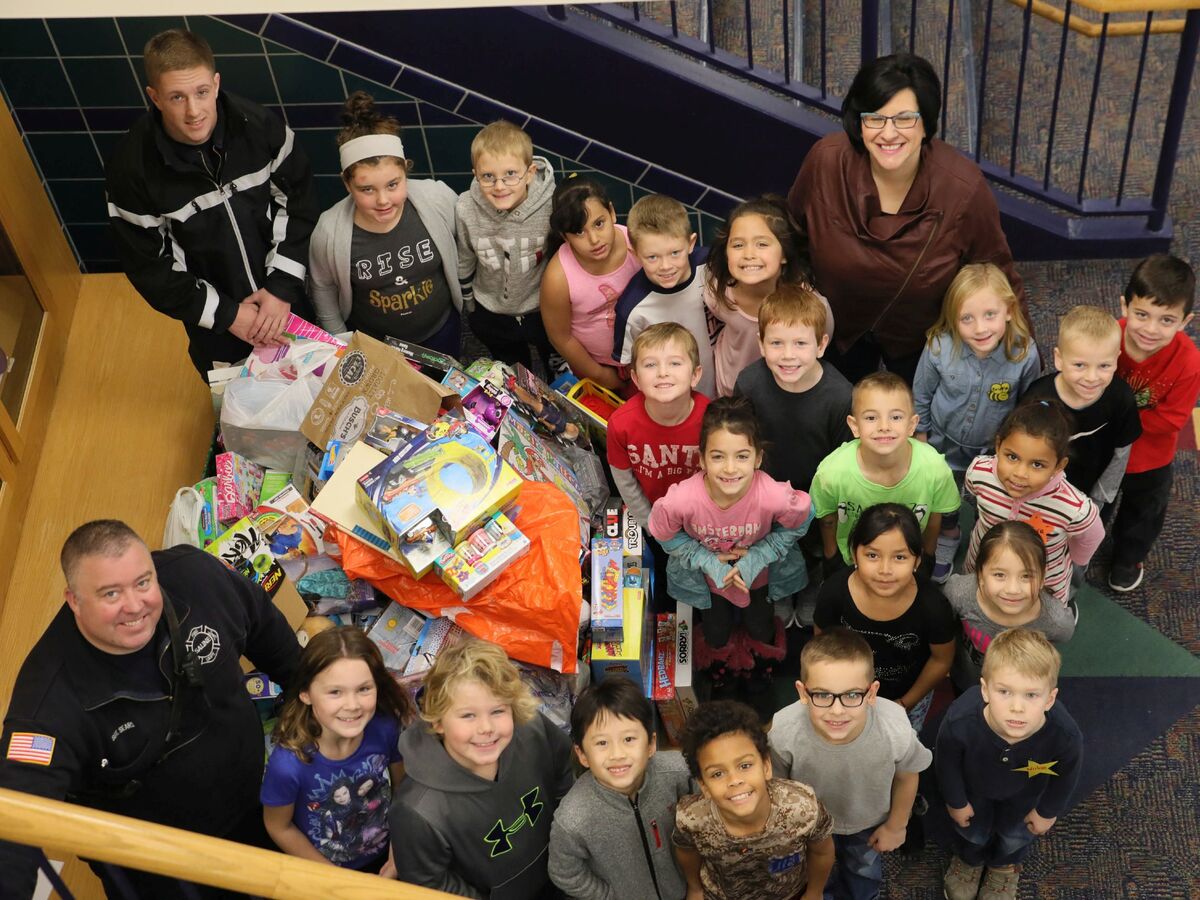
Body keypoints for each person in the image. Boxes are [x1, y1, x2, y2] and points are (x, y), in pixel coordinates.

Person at [0, 520, 301, 898]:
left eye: (143, 582)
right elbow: (14, 822)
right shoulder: (48, 702)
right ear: (74, 600)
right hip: (167, 867)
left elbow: (274, 639)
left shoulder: (198, 579)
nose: (135, 605)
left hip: (259, 804)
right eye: (110, 594)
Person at [787, 52, 1027, 385]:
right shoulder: (826, 161)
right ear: (859, 121)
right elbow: (792, 233)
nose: (888, 133)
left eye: (904, 119)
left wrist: (1023, 362)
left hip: (921, 339)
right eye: (875, 118)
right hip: (834, 326)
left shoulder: (962, 188)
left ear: (926, 122)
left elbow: (998, 273)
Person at [105, 29, 317, 377]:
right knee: (241, 419)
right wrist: (229, 315)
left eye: (202, 92)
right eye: (177, 97)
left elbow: (299, 204)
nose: (194, 112)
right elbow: (151, 269)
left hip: (287, 300)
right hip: (215, 327)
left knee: (314, 393)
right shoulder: (131, 170)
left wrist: (281, 289)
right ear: (154, 97)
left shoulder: (261, 127)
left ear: (216, 84)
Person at [648, 397, 813, 688]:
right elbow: (663, 532)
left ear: (758, 458)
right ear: (701, 459)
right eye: (717, 456)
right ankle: (719, 667)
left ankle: (760, 665)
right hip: (708, 583)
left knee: (760, 626)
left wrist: (761, 554)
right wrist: (704, 559)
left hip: (758, 579)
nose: (729, 469)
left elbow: (803, 517)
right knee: (715, 632)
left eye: (742, 456)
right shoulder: (682, 500)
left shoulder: (771, 495)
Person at [389, 638, 574, 898]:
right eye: (468, 715)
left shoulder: (533, 730)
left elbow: (564, 774)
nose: (486, 728)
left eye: (497, 711)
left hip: (562, 872)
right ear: (439, 721)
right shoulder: (417, 811)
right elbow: (431, 884)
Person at [770, 628, 932, 900]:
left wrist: (896, 825)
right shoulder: (783, 730)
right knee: (815, 873)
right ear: (802, 692)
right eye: (822, 695)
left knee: (863, 871)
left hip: (867, 823)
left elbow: (907, 774)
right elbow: (777, 788)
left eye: (852, 695)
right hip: (809, 827)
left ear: (871, 693)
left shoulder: (895, 728)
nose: (837, 710)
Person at [308, 92, 463, 357]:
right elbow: (323, 287)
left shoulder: (438, 199)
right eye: (367, 189)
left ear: (405, 171)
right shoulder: (329, 231)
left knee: (446, 394)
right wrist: (339, 342)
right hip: (377, 345)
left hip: (441, 330)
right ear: (347, 184)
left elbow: (465, 244)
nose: (383, 201)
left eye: (393, 185)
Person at [913, 263, 1040, 582]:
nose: (980, 328)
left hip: (992, 451)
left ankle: (988, 546)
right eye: (966, 318)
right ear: (953, 318)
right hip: (943, 444)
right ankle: (950, 534)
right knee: (947, 497)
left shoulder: (1024, 353)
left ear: (1009, 311)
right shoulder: (940, 347)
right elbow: (921, 394)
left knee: (994, 502)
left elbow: (1028, 407)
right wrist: (921, 439)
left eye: (989, 315)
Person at [733, 284, 853, 624]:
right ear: (761, 344)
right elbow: (742, 442)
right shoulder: (749, 383)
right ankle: (782, 589)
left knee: (813, 548)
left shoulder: (841, 395)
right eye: (776, 343)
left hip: (816, 495)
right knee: (775, 546)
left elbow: (845, 458)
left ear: (821, 345)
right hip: (766, 490)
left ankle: (812, 585)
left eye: (800, 343)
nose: (788, 355)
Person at [936, 628, 1083, 900]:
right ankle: (970, 861)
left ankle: (1003, 867)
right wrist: (955, 801)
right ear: (985, 690)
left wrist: (1048, 811)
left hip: (1025, 796)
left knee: (1014, 835)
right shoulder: (960, 721)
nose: (1017, 707)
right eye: (1004, 691)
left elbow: (1067, 775)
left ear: (1050, 698)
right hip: (973, 791)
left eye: (1031, 695)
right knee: (972, 833)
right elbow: (946, 763)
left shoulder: (1065, 735)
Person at [261, 626, 413, 871]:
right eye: (335, 692)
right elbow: (279, 826)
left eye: (364, 689)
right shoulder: (287, 765)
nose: (352, 705)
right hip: (327, 871)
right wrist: (334, 880)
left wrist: (399, 849)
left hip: (389, 853)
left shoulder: (386, 729)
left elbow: (403, 789)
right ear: (305, 693)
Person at [813, 504, 956, 731]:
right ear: (854, 555)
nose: (885, 569)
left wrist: (905, 703)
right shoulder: (834, 592)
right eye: (872, 555)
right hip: (846, 695)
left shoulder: (933, 607)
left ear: (917, 561)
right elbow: (821, 646)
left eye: (899, 557)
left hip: (907, 696)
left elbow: (941, 660)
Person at [673, 700, 835, 900]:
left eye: (745, 765)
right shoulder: (691, 819)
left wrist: (814, 892)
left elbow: (822, 852)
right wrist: (695, 888)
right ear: (703, 785)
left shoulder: (803, 807)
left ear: (766, 765)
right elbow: (686, 851)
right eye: (717, 774)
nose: (734, 780)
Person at [548, 677, 692, 900]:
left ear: (651, 744)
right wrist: (609, 896)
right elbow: (564, 872)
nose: (617, 754)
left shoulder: (679, 773)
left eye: (629, 739)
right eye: (602, 743)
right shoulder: (573, 818)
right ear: (582, 755)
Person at [1108, 254, 1200, 592]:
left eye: (1166, 319)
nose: (1150, 329)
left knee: (1144, 513)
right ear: (1124, 306)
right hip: (1103, 448)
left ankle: (1128, 557)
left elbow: (1173, 418)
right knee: (1093, 504)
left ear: (1184, 321)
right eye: (1142, 314)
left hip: (1151, 459)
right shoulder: (1107, 337)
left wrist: (1116, 418)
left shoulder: (1189, 361)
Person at [809, 372, 960, 576]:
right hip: (851, 560)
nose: (884, 427)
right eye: (871, 417)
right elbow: (827, 520)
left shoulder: (934, 468)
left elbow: (935, 519)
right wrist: (831, 557)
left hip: (909, 559)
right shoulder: (831, 473)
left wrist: (927, 556)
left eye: (896, 417)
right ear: (854, 426)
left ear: (912, 425)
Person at [963, 400, 1103, 614]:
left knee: (1037, 620)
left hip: (1042, 581)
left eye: (1037, 464)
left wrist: (1076, 560)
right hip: (982, 562)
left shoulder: (1073, 508)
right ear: (998, 446)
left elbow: (1092, 535)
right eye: (1012, 457)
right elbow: (974, 496)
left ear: (1059, 466)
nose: (1020, 473)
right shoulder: (979, 472)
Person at [607, 323, 710, 612]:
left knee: (707, 577)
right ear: (636, 378)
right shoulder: (621, 423)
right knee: (667, 576)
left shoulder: (711, 418)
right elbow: (623, 478)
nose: (663, 372)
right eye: (651, 365)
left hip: (704, 520)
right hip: (654, 516)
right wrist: (649, 521)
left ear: (695, 374)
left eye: (675, 363)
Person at [455, 120, 557, 374]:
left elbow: (561, 256)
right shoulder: (465, 208)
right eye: (488, 177)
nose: (499, 186)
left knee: (555, 365)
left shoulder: (550, 206)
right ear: (475, 175)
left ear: (530, 172)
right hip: (491, 310)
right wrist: (469, 304)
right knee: (514, 370)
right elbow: (466, 256)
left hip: (542, 309)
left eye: (510, 174)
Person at [704, 196, 829, 398]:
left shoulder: (810, 303)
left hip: (784, 393)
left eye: (762, 244)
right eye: (737, 245)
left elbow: (823, 336)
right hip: (730, 387)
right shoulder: (717, 292)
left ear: (784, 254)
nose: (748, 254)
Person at [1024, 305, 1141, 514]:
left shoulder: (1121, 397)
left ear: (1116, 359)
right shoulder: (1037, 396)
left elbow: (1121, 453)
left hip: (1092, 495)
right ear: (1059, 359)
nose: (1091, 377)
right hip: (1038, 492)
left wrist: (1100, 497)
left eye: (1104, 366)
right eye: (1079, 365)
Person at [944, 521, 1074, 693]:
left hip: (1017, 691)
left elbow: (1064, 635)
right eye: (999, 574)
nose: (1013, 589)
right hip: (967, 678)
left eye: (1026, 576)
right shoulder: (959, 593)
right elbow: (944, 626)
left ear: (1043, 578)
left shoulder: (1055, 620)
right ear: (980, 574)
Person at [540, 177, 641, 392]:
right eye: (579, 232)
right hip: (601, 366)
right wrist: (599, 374)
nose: (594, 239)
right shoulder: (558, 277)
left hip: (647, 352)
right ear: (564, 236)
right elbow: (561, 337)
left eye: (599, 223)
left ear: (612, 212)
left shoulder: (636, 242)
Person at [612, 193, 716, 399]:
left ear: (691, 242)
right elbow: (629, 368)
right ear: (635, 253)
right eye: (652, 257)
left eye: (675, 253)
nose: (666, 266)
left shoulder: (713, 265)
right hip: (676, 400)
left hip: (725, 382)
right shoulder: (632, 309)